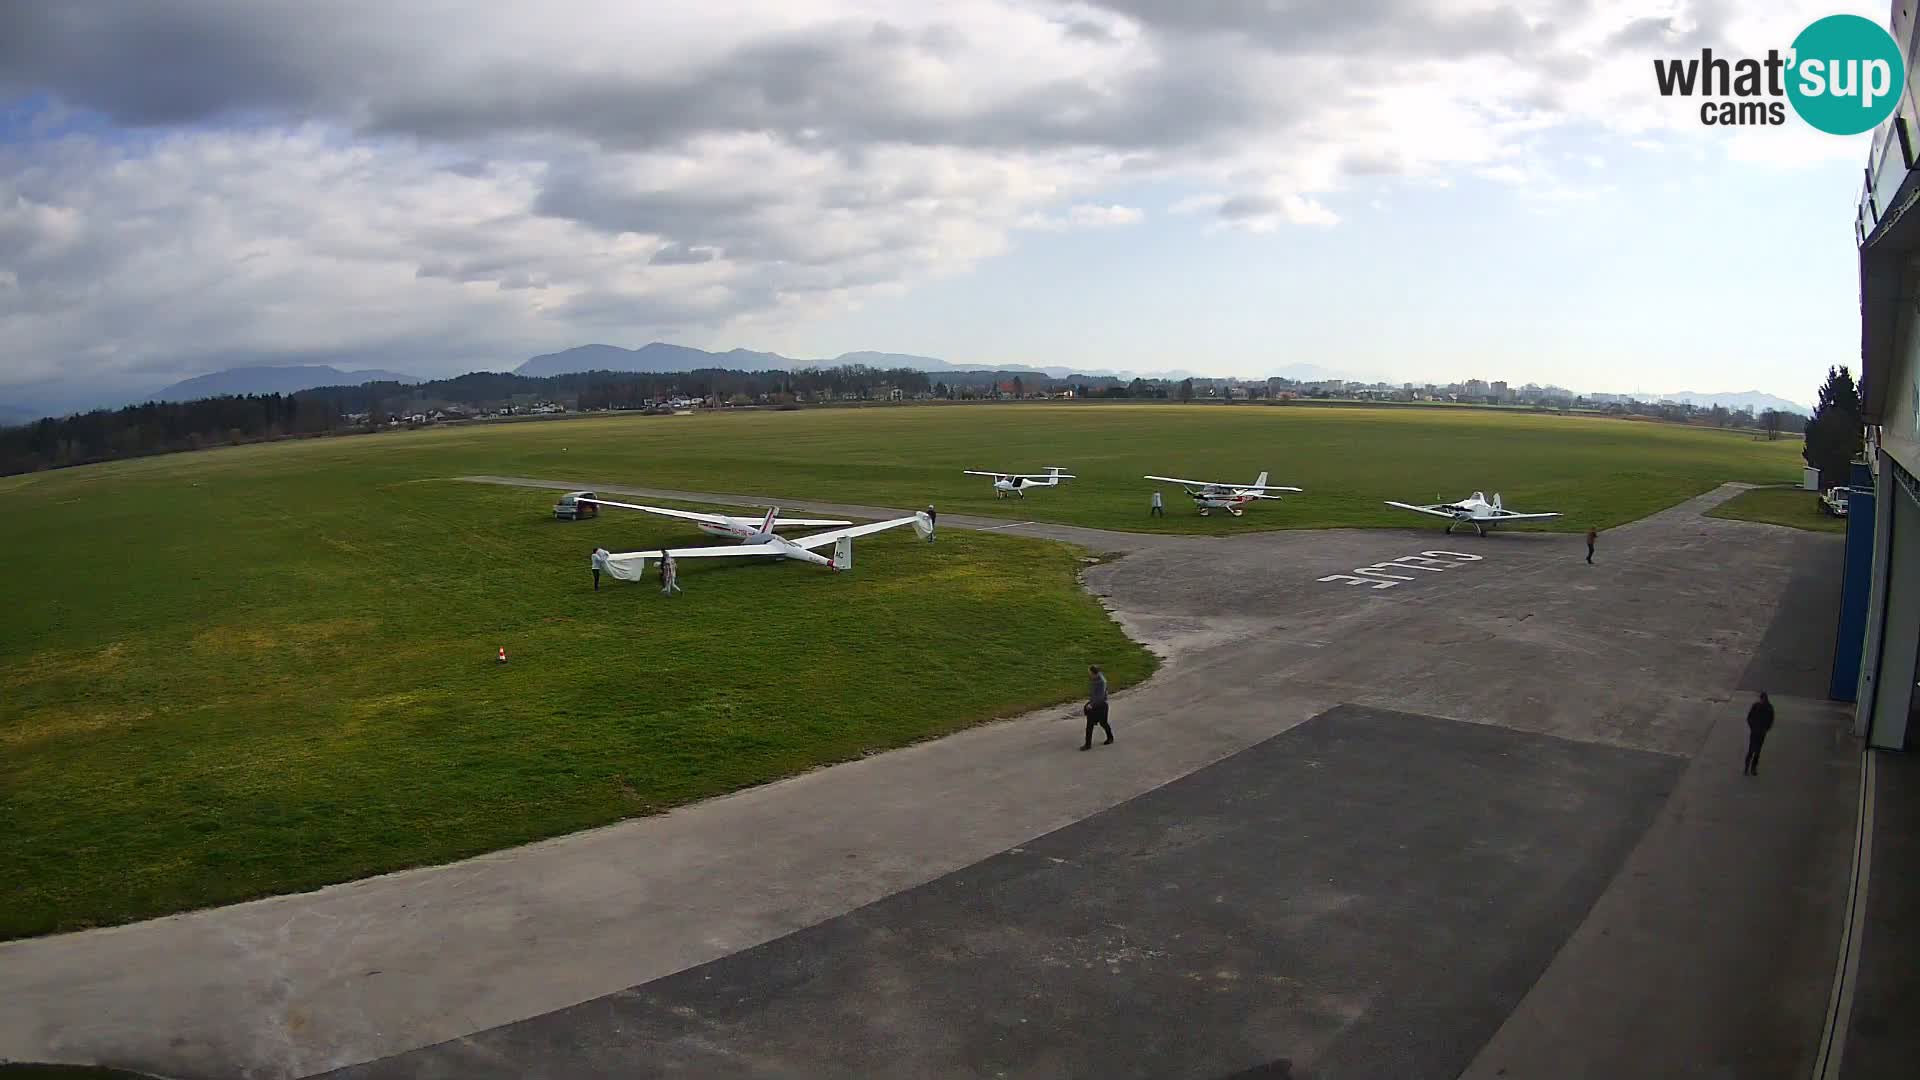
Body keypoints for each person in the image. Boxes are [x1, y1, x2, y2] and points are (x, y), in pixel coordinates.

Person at [1081, 664, 1113, 750]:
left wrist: (1091, 705)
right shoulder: (1095, 678)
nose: (1089, 674)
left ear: (1094, 673)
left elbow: (1100, 697)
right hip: (1095, 703)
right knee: (1090, 725)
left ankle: (1110, 738)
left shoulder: (1101, 682)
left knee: (1103, 723)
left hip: (1101, 706)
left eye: (1090, 672)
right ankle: (1088, 744)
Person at [1744, 691, 1774, 775]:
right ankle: (1747, 767)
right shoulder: (1756, 706)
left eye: (1762, 699)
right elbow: (1749, 718)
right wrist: (1752, 727)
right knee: (1751, 750)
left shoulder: (1768, 708)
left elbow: (1770, 721)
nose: (1761, 701)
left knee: (1757, 751)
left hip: (1760, 733)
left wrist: (1765, 729)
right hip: (1755, 732)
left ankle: (1752, 768)